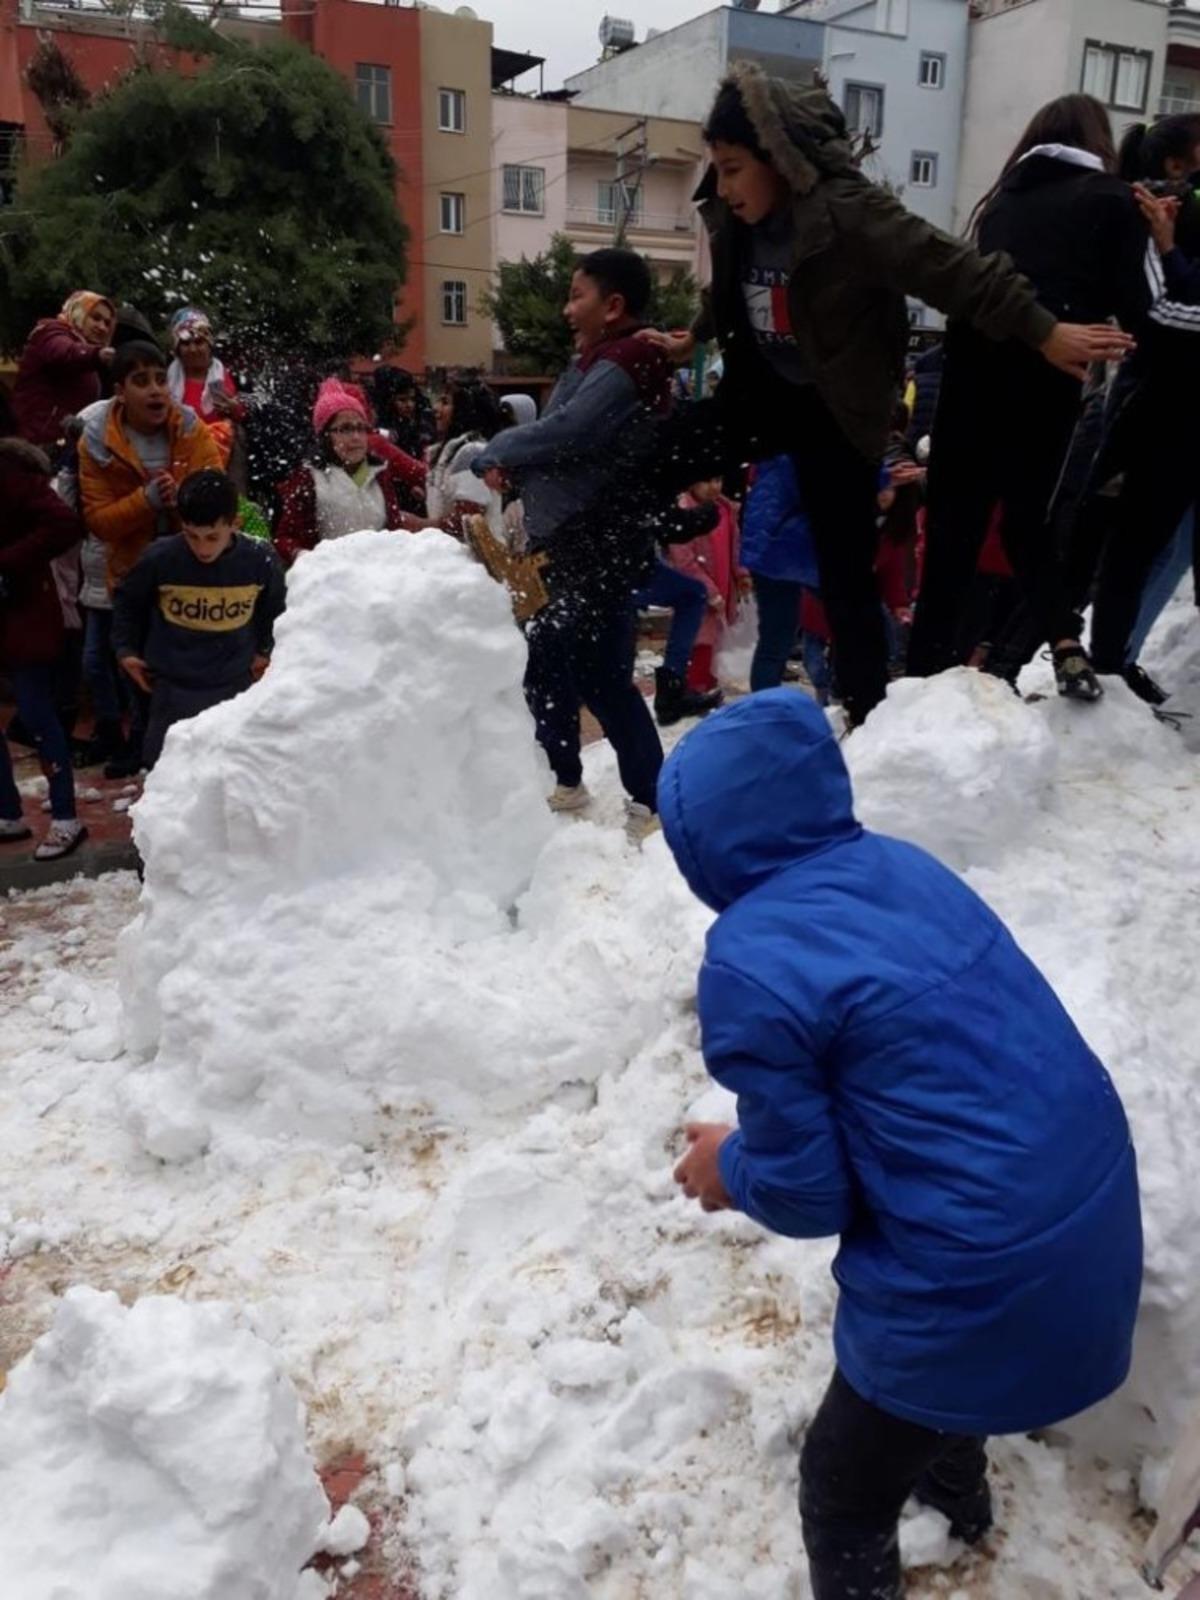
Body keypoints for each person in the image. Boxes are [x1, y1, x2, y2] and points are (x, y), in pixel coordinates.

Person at [660, 689, 1143, 1600]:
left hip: (978, 1270)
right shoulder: (899, 867)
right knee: (933, 1398)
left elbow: (808, 1197)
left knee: (839, 1492)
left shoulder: (753, 960)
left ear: (702, 848)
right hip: (1090, 1213)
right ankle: (962, 1510)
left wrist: (727, 1166)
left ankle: (939, 1513)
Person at [645, 66, 1135, 726]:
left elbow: (955, 270)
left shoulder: (851, 214)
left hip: (837, 414)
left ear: (782, 160)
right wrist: (693, 341)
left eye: (733, 168)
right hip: (761, 395)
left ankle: (875, 719)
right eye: (721, 170)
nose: (724, 186)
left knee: (846, 580)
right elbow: (732, 289)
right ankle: (611, 557)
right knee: (651, 452)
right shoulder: (738, 214)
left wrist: (1043, 331)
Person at [908, 94, 1200, 701]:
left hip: (969, 374)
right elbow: (1151, 312)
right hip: (1049, 379)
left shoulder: (1002, 203)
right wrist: (1163, 248)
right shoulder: (1112, 202)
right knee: (1031, 521)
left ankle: (921, 683)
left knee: (955, 531)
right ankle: (1064, 645)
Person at [471, 249, 687, 833]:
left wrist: (497, 451)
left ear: (613, 306)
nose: (567, 309)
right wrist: (515, 468)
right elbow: (554, 441)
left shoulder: (630, 359)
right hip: (560, 548)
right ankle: (567, 778)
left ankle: (651, 799)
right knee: (545, 665)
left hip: (598, 548)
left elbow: (569, 431)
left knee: (603, 679)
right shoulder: (591, 360)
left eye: (577, 295)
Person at [1060, 113, 1200, 699]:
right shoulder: (1170, 215)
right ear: (1176, 163)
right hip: (1159, 407)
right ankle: (1097, 655)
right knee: (1128, 543)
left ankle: (1111, 657)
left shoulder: (1170, 214)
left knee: (1142, 545)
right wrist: (1170, 250)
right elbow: (1166, 314)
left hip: (1160, 405)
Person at [77, 340, 223, 776]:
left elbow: (216, 494)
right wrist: (145, 500)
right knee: (136, 673)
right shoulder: (98, 442)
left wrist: (185, 501)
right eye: (141, 381)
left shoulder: (191, 429)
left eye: (161, 378)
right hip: (133, 576)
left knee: (187, 671)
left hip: (190, 569)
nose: (156, 390)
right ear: (120, 390)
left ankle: (192, 756)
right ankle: (146, 755)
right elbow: (100, 520)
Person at [112, 469, 285, 771]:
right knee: (168, 779)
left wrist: (265, 651)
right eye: (192, 536)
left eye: (212, 537)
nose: (202, 548)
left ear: (234, 524)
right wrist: (126, 651)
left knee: (229, 774)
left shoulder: (260, 560)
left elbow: (277, 610)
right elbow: (128, 604)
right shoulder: (160, 558)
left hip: (234, 689)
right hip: (171, 690)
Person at [0, 390, 90, 861]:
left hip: (23, 610)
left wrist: (7, 563)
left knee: (37, 713)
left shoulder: (12, 472)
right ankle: (7, 811)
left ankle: (64, 816)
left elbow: (62, 525)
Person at [273, 378, 423, 566]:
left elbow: (393, 530)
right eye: (345, 429)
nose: (356, 437)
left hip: (379, 581)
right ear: (325, 436)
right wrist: (305, 557)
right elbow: (285, 539)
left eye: (361, 428)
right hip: (332, 582)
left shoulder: (379, 474)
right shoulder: (309, 478)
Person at [663, 477, 744, 697]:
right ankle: (694, 689)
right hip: (695, 590)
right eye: (706, 481)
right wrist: (709, 590)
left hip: (724, 584)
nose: (714, 487)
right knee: (699, 640)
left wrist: (742, 574)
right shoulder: (684, 510)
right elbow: (683, 559)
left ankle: (709, 685)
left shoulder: (725, 508)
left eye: (718, 480)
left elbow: (735, 546)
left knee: (718, 638)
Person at [12, 292, 116, 454]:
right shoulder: (51, 331)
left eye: (107, 323)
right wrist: (96, 354)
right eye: (95, 318)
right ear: (78, 313)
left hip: (59, 449)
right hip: (32, 446)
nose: (102, 327)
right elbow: (62, 351)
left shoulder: (89, 357)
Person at [425, 376, 506, 537]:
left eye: (445, 402)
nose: (436, 408)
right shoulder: (447, 451)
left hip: (472, 560)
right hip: (450, 555)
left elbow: (468, 523)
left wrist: (417, 525)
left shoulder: (473, 453)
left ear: (464, 410)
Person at [166, 307, 242, 467]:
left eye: (199, 342)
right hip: (176, 456)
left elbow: (240, 414)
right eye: (186, 343)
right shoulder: (166, 379)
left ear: (209, 344)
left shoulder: (222, 375)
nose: (193, 349)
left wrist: (234, 409)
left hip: (218, 458)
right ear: (177, 349)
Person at [372, 365, 435, 460]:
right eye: (402, 400)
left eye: (412, 399)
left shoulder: (423, 422)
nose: (409, 405)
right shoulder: (381, 428)